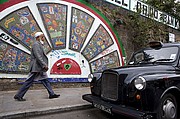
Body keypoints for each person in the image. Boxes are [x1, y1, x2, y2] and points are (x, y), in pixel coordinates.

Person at [14, 32, 60, 101]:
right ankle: (19, 95)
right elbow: (38, 56)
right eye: (42, 37)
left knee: (45, 80)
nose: (43, 38)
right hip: (37, 67)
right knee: (29, 81)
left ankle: (51, 94)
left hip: (39, 67)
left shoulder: (39, 44)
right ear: (38, 37)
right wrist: (44, 65)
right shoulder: (36, 44)